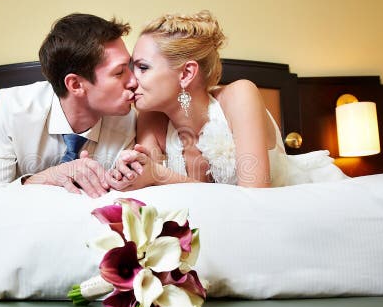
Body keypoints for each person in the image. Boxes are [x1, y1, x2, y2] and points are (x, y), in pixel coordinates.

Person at [108, 10, 289, 190]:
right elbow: (150, 190)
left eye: (143, 67)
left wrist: (160, 174)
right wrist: (126, 175)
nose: (131, 79)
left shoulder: (240, 95)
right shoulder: (149, 117)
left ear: (186, 73)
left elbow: (255, 196)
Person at [0, 13, 138, 198]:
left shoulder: (129, 120)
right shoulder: (11, 107)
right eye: (120, 72)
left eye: (130, 67)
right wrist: (47, 178)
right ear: (76, 85)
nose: (134, 80)